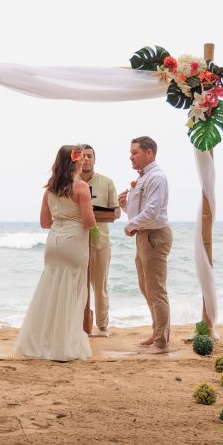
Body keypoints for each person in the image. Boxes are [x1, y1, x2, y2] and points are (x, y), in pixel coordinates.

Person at [13, 145, 96, 361]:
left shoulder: (50, 189)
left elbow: (44, 222)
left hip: (53, 245)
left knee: (50, 292)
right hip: (74, 245)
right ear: (76, 162)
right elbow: (89, 222)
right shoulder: (81, 187)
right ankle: (64, 344)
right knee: (72, 295)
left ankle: (41, 341)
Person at [118, 136, 172, 354]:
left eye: (135, 153)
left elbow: (152, 211)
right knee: (145, 287)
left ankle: (161, 341)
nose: (130, 157)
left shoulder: (157, 177)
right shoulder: (144, 177)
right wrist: (125, 206)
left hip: (154, 235)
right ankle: (156, 333)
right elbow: (142, 210)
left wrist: (130, 226)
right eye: (131, 153)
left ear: (149, 153)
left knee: (156, 289)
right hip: (144, 235)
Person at [80, 144, 120, 338]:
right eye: (83, 156)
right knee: (76, 285)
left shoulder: (107, 183)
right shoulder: (69, 182)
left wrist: (98, 214)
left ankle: (102, 325)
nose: (86, 159)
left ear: (95, 159)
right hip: (76, 242)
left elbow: (117, 211)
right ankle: (78, 325)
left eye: (89, 156)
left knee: (99, 285)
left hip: (100, 242)